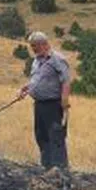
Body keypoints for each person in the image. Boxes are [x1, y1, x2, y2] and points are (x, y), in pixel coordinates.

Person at [17, 31, 71, 170]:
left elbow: (65, 81)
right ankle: (46, 166)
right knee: (41, 135)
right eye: (31, 46)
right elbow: (36, 80)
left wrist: (64, 100)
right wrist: (26, 88)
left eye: (34, 46)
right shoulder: (36, 60)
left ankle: (59, 168)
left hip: (53, 104)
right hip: (39, 105)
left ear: (44, 44)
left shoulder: (57, 59)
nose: (32, 49)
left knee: (55, 136)